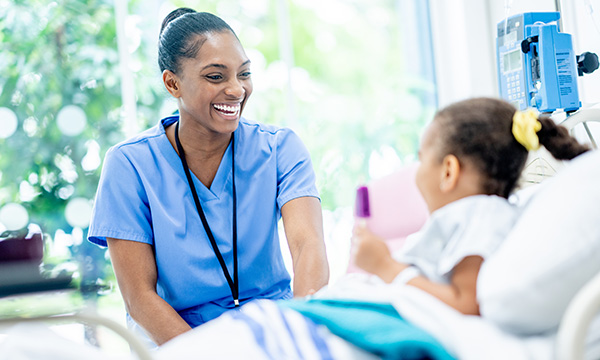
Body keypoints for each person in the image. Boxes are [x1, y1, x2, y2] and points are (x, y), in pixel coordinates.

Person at [87, 8, 329, 346]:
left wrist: (300, 334)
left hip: (273, 329)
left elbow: (308, 247)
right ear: (173, 83)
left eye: (243, 74)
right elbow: (139, 298)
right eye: (216, 77)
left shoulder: (279, 148)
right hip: (182, 341)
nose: (236, 90)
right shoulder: (129, 165)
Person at [351, 97, 590, 315]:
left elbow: (466, 303)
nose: (417, 171)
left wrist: (385, 266)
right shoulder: (477, 215)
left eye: (421, 159)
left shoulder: (481, 216)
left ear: (448, 171)